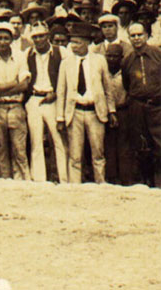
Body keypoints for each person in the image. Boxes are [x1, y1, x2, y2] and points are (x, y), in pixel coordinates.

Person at [56, 22, 116, 184]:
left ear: (88, 43)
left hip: (95, 112)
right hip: (74, 112)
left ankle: (100, 184)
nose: (74, 46)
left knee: (98, 153)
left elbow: (108, 88)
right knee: (75, 155)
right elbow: (61, 91)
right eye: (72, 43)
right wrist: (60, 117)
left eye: (78, 43)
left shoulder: (99, 60)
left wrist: (111, 111)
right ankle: (75, 187)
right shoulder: (66, 63)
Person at [122, 23, 161, 188]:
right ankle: (146, 182)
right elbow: (127, 83)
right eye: (133, 36)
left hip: (158, 106)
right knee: (141, 147)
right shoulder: (127, 60)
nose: (137, 38)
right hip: (137, 107)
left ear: (146, 35)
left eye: (140, 34)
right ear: (129, 38)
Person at [0, 22, 30, 180]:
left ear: (11, 40)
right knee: (0, 149)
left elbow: (24, 85)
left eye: (6, 38)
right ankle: (2, 182)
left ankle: (21, 182)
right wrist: (12, 83)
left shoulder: (20, 57)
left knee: (19, 148)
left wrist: (1, 87)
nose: (2, 42)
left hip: (16, 107)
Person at [24, 22, 69, 183]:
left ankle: (64, 179)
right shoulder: (27, 53)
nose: (38, 40)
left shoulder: (60, 52)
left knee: (59, 140)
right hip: (35, 98)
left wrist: (56, 93)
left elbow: (67, 76)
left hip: (54, 99)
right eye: (35, 37)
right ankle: (39, 180)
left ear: (48, 36)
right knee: (36, 141)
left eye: (41, 36)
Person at [104, 43, 134, 185]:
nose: (111, 59)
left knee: (124, 146)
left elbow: (132, 89)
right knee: (109, 146)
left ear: (121, 58)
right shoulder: (102, 72)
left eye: (115, 56)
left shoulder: (126, 72)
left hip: (123, 111)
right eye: (108, 56)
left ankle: (125, 179)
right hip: (106, 113)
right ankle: (111, 178)